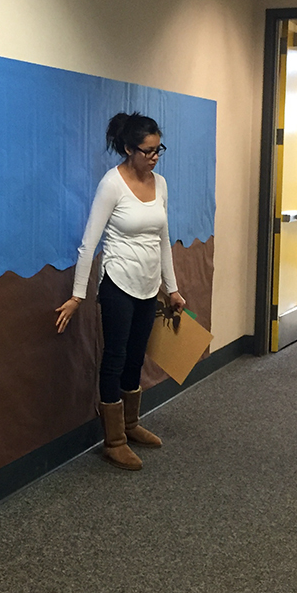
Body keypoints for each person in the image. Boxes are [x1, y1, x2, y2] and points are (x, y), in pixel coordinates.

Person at [54, 112, 185, 471]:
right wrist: (78, 296)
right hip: (118, 283)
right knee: (115, 357)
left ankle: (130, 424)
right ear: (129, 149)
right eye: (148, 151)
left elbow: (162, 240)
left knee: (136, 356)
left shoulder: (161, 184)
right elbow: (89, 243)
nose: (154, 157)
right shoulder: (112, 184)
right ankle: (114, 441)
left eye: (158, 150)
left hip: (148, 286)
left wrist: (172, 289)